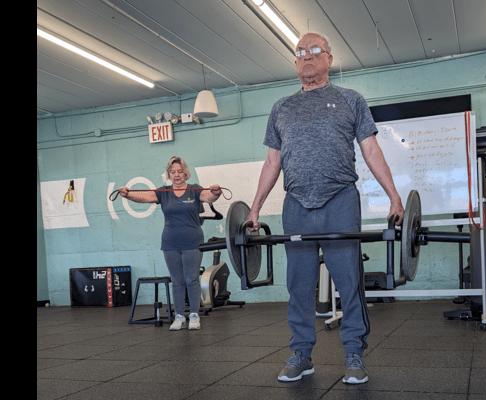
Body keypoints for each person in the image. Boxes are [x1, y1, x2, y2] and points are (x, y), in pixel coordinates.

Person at [246, 32, 405, 384]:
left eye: (315, 50)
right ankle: (301, 354)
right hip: (296, 204)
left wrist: (394, 196)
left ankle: (353, 353)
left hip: (339, 199)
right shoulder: (281, 108)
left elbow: (371, 150)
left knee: (348, 281)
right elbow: (272, 162)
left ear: (329, 59)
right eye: (300, 51)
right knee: (298, 285)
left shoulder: (350, 99)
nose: (306, 56)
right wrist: (255, 209)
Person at [118, 156, 222, 331]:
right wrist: (127, 194)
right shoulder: (164, 192)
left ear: (186, 173)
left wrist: (216, 192)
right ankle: (179, 316)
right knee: (177, 281)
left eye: (180, 171)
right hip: (170, 243)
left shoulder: (195, 189)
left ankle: (194, 315)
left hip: (192, 241)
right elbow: (145, 197)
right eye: (172, 172)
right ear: (168, 174)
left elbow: (210, 197)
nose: (176, 175)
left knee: (191, 279)